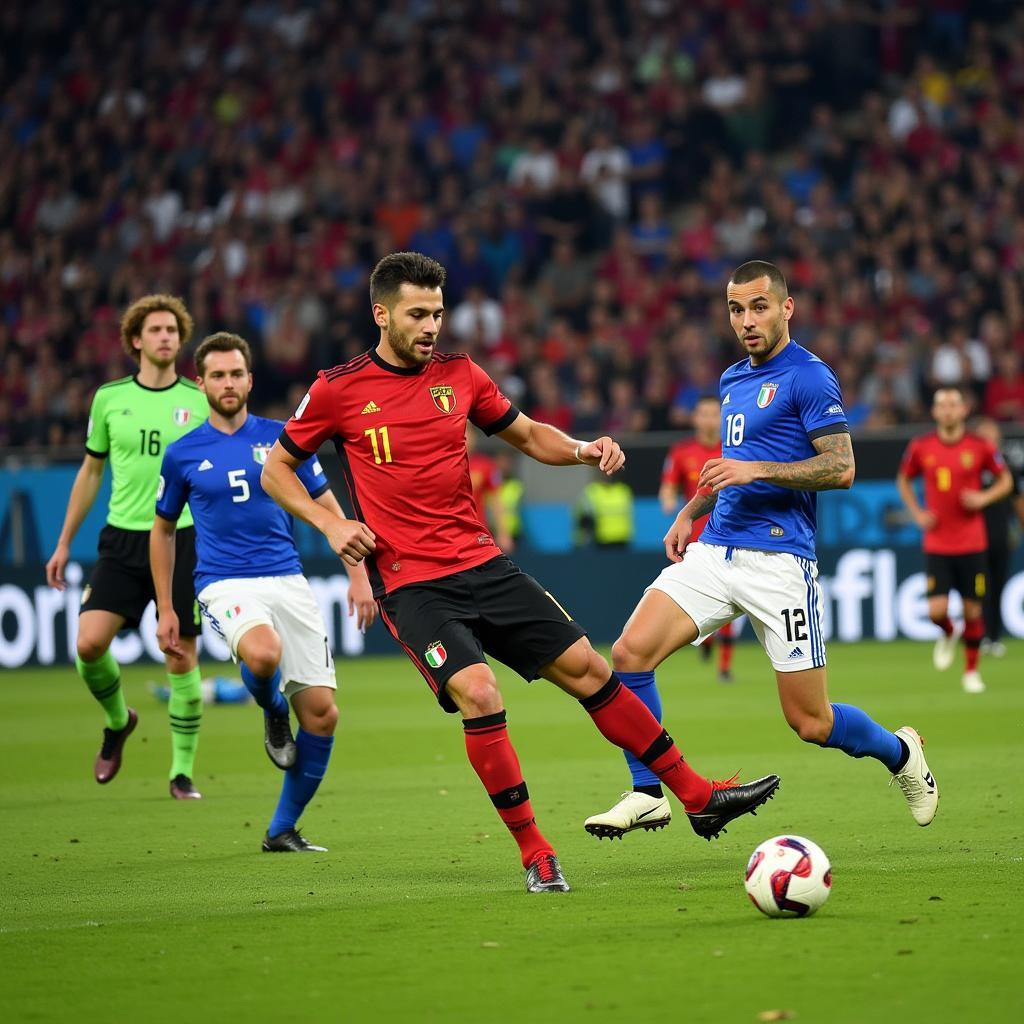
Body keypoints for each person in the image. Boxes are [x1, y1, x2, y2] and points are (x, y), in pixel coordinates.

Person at [261, 251, 779, 894]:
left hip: (483, 562)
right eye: (417, 314)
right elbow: (276, 469)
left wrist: (583, 451)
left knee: (592, 669)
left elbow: (529, 435)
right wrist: (333, 526)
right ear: (381, 314)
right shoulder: (338, 388)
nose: (431, 327)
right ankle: (536, 851)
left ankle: (697, 797)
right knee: (480, 692)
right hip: (413, 583)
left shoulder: (461, 374)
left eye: (438, 314)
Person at [587, 260, 939, 843]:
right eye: (735, 309)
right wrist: (688, 512)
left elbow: (842, 467)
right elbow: (728, 469)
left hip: (779, 562)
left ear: (786, 308)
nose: (746, 321)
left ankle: (902, 753)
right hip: (716, 550)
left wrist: (758, 470)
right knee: (628, 654)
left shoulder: (810, 377)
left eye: (758, 307)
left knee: (811, 722)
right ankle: (648, 793)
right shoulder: (732, 380)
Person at [150, 332, 376, 852]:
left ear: (250, 380)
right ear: (200, 382)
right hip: (224, 582)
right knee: (262, 651)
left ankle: (281, 829)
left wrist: (357, 574)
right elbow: (161, 530)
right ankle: (274, 711)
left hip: (287, 578)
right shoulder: (183, 454)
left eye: (236, 374)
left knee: (322, 714)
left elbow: (330, 507)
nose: (228, 383)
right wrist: (166, 606)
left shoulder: (284, 438)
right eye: (218, 375)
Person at [45, 294, 209, 799]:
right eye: (155, 330)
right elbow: (91, 471)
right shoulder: (109, 398)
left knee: (180, 657)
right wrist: (64, 541)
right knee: (88, 645)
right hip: (122, 538)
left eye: (172, 331)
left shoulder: (201, 399)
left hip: (181, 536)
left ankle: (181, 773)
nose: (165, 337)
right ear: (135, 340)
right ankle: (119, 720)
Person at [897, 391, 1013, 692]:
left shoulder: (980, 447)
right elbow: (904, 479)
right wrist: (918, 513)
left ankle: (971, 672)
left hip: (972, 543)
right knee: (937, 611)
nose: (947, 411)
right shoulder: (922, 447)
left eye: (952, 405)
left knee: (974, 612)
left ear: (963, 410)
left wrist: (983, 497)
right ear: (934, 412)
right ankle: (948, 632)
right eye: (941, 405)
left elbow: (1006, 481)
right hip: (937, 543)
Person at [659, 394, 738, 683]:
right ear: (695, 418)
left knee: (731, 596)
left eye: (713, 414)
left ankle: (725, 668)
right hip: (694, 541)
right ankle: (705, 640)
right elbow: (668, 485)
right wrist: (667, 500)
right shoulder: (681, 451)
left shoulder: (733, 450)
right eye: (703, 414)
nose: (708, 419)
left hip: (729, 535)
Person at [972, 416, 1024, 657]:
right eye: (984, 437)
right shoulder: (968, 467)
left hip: (1001, 535)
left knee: (998, 585)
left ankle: (993, 637)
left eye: (993, 437)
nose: (989, 442)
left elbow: (1018, 502)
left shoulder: (1007, 469)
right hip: (974, 538)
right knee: (979, 588)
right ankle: (978, 635)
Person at [466, 423, 514, 551]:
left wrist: (503, 533)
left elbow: (496, 501)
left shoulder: (486, 466)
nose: (465, 437)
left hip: (478, 534)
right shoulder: (444, 466)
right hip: (450, 534)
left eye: (468, 432)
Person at [574, 469, 635, 548]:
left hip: (622, 539)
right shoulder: (592, 491)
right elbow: (583, 517)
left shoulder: (624, 490)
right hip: (600, 541)